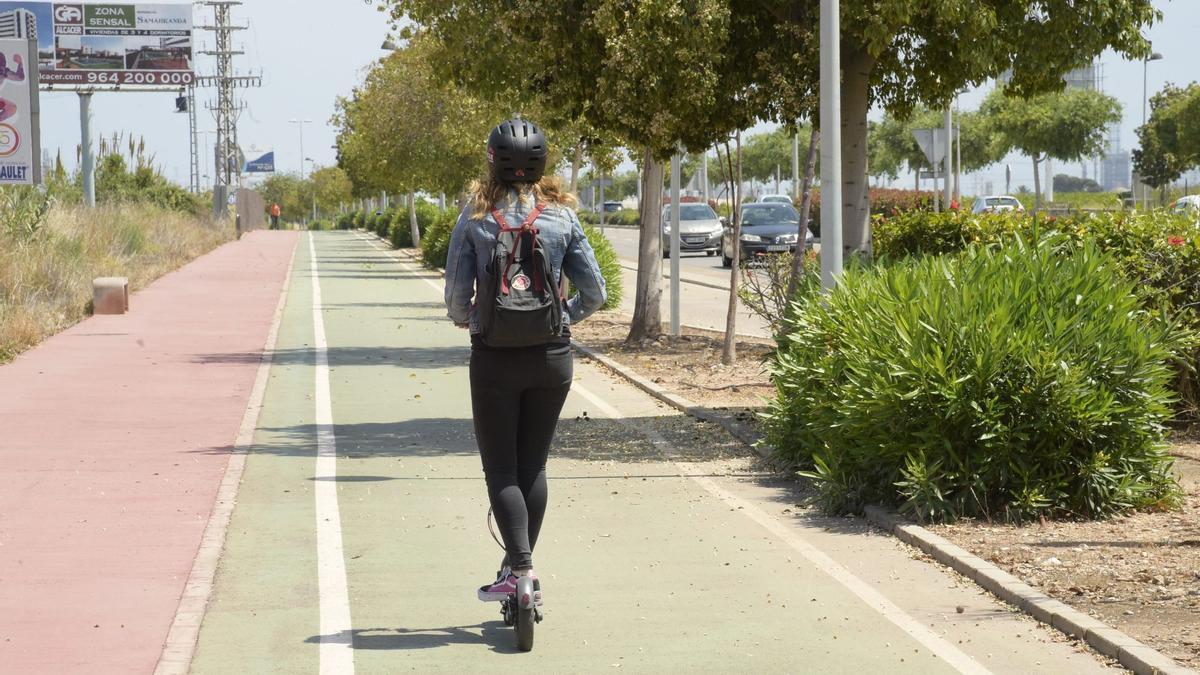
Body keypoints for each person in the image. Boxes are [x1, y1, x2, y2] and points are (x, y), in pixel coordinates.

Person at [444, 118, 607, 603]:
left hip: (494, 358)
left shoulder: (474, 219)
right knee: (533, 467)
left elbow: (456, 299)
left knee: (501, 471)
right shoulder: (562, 218)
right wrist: (562, 317)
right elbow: (595, 293)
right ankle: (521, 572)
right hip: (552, 358)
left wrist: (470, 319)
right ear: (542, 166)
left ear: (492, 161)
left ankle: (519, 571)